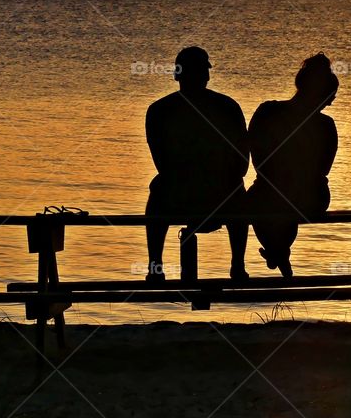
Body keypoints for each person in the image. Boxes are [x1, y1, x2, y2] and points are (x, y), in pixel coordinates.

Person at [145, 46, 249, 281]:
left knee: (158, 189)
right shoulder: (228, 106)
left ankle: (155, 265)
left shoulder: (158, 110)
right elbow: (242, 162)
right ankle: (238, 266)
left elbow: (162, 163)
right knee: (238, 189)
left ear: (176, 75)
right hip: (220, 196)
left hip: (178, 195)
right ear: (207, 75)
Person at [247, 53, 339, 278]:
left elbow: (258, 159)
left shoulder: (267, 111)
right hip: (311, 197)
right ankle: (278, 252)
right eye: (330, 95)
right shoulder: (326, 126)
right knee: (280, 199)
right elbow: (323, 169)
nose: (331, 101)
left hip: (271, 193)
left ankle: (277, 251)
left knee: (259, 198)